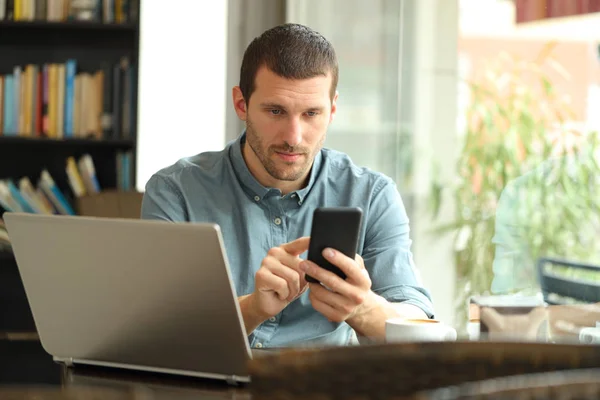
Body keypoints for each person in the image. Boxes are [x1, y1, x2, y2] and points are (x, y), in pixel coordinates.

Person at [141, 23, 434, 348]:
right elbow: (159, 332)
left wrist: (362, 307)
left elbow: (422, 330)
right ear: (241, 104)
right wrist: (253, 309)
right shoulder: (175, 191)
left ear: (333, 109)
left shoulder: (372, 195)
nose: (293, 137)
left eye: (311, 113)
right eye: (276, 111)